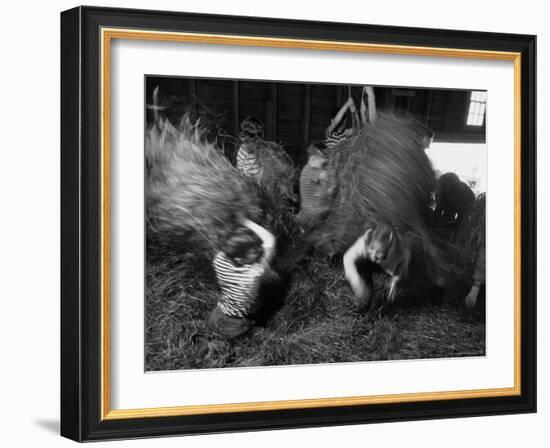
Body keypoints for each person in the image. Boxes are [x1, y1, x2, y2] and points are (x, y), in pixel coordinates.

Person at [209, 217, 276, 339]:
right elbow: (270, 240)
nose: (260, 250)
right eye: (254, 251)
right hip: (234, 324)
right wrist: (244, 220)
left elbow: (227, 242)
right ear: (240, 259)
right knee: (270, 338)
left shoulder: (219, 259)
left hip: (218, 314)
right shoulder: (252, 274)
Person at [297, 143, 329, 225]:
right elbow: (327, 178)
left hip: (314, 213)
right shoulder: (311, 169)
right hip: (312, 215)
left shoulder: (313, 168)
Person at [235, 117, 265, 181]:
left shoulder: (261, 149)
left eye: (253, 143)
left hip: (258, 181)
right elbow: (239, 169)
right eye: (246, 142)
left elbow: (262, 167)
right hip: (246, 181)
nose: (249, 146)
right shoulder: (243, 150)